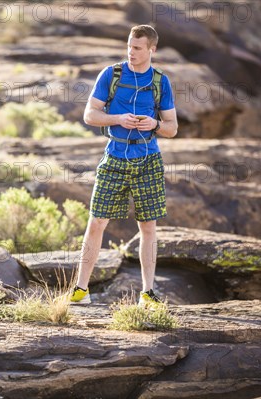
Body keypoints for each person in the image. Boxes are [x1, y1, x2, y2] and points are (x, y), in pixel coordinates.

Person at [70, 25, 178, 306]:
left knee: (148, 227)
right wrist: (117, 119)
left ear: (151, 49)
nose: (131, 52)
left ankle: (148, 293)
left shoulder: (160, 82)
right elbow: (90, 115)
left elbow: (172, 128)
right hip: (114, 157)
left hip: (148, 160)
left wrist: (155, 124)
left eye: (138, 48)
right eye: (129, 46)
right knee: (96, 222)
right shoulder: (112, 74)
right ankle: (81, 290)